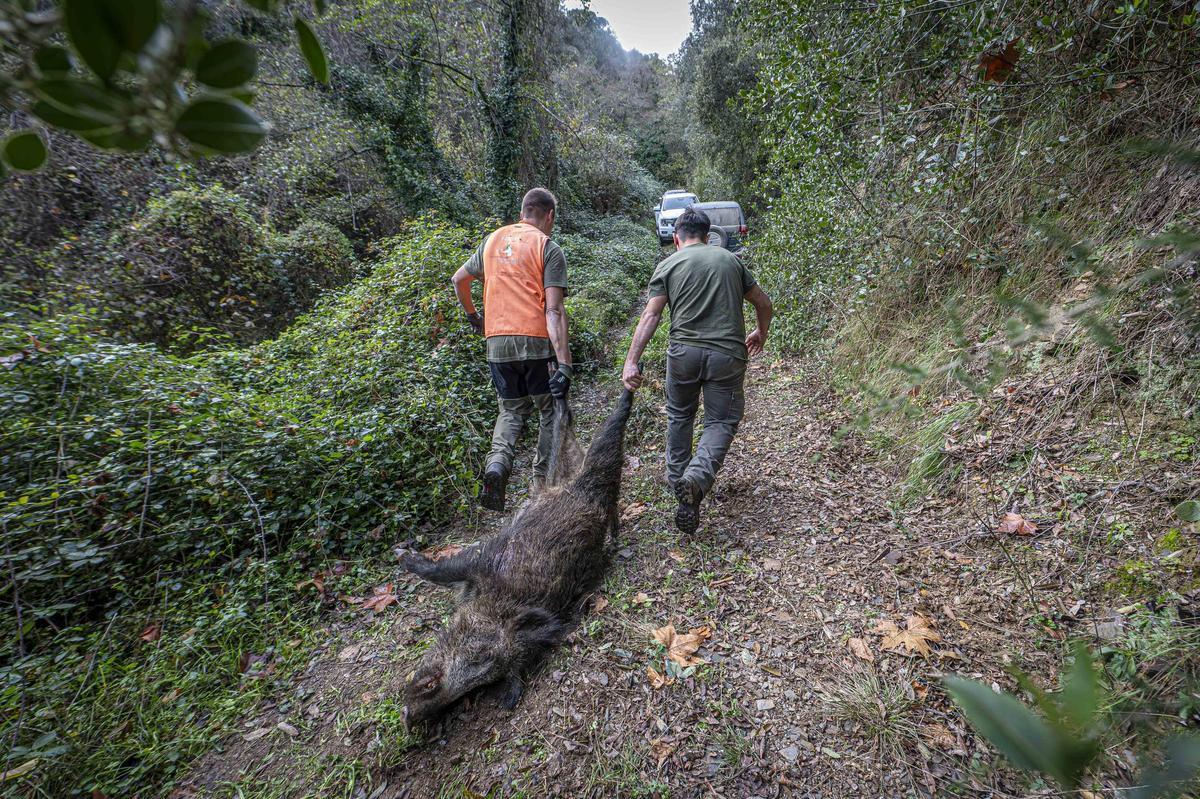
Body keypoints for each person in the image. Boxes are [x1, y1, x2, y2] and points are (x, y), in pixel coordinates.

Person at [621, 207, 773, 534]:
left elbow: (651, 316)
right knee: (721, 420)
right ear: (708, 236)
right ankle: (696, 478)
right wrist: (761, 332)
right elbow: (763, 302)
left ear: (677, 238)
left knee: (679, 415)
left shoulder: (668, 264)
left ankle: (679, 483)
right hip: (726, 355)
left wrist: (631, 359)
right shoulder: (730, 260)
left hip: (683, 355)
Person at [451, 187, 573, 512]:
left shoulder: (491, 241)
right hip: (535, 339)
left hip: (497, 341)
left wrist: (474, 317)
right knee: (549, 409)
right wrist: (564, 364)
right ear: (549, 216)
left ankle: (497, 466)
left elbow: (458, 280)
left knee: (511, 410)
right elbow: (554, 311)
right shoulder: (548, 247)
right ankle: (541, 486)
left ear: (523, 211)